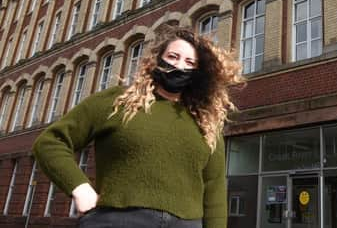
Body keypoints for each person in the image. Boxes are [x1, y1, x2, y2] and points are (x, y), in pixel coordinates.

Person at [33, 27, 243, 228]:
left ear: (199, 73)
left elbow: (214, 187)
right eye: (173, 57)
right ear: (157, 60)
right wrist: (79, 187)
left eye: (190, 62)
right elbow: (50, 142)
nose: (180, 66)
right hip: (118, 220)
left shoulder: (206, 121)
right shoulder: (117, 101)